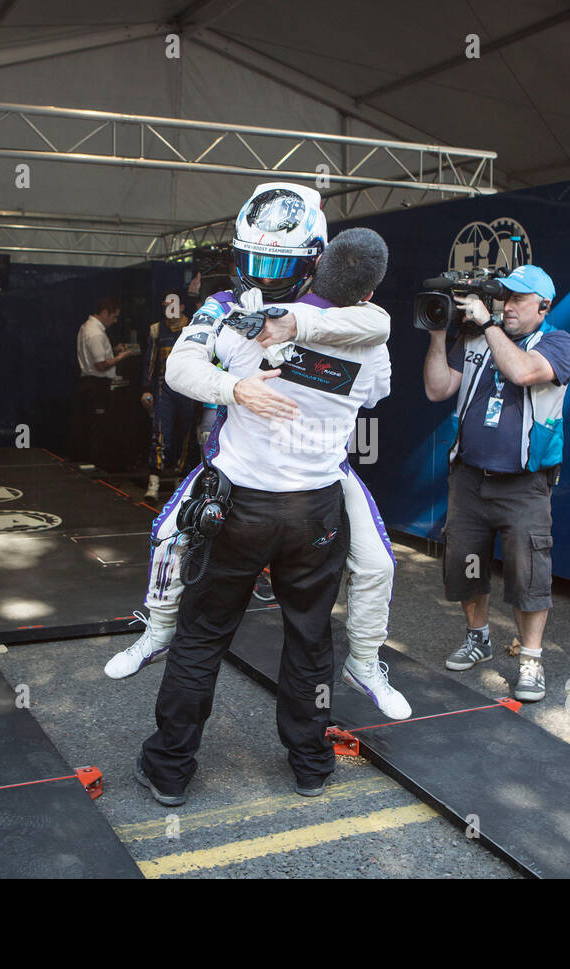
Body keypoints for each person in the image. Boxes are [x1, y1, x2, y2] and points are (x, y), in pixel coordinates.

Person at [105, 185, 409, 723]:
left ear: (315, 260)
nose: (264, 273)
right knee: (168, 540)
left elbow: (380, 328)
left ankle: (365, 660)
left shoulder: (351, 315)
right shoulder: (225, 305)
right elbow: (179, 370)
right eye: (255, 259)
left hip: (320, 476)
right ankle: (155, 630)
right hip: (240, 477)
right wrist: (236, 389)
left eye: (278, 261)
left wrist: (299, 326)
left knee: (379, 565)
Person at [423, 264, 570, 703]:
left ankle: (530, 659)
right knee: (464, 565)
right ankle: (479, 637)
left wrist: (489, 324)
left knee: (529, 571)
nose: (506, 306)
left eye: (517, 300)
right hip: (470, 477)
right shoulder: (474, 337)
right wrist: (439, 334)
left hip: (524, 483)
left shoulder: (557, 342)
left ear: (544, 307)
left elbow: (524, 372)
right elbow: (437, 389)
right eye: (503, 297)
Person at [142, 290, 199, 500]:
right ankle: (154, 483)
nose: (169, 308)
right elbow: (150, 361)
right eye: (166, 304)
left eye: (173, 304)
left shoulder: (194, 328)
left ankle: (180, 483)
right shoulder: (157, 330)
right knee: (160, 433)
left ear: (182, 307)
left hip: (188, 388)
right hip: (163, 387)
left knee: (187, 435)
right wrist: (146, 389)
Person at [72, 297, 136, 462]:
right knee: (97, 426)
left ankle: (91, 460)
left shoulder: (86, 327)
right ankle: (95, 462)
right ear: (104, 313)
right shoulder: (95, 332)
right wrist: (121, 356)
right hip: (97, 384)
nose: (115, 321)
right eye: (114, 316)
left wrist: (113, 350)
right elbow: (101, 365)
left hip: (89, 382)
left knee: (92, 423)